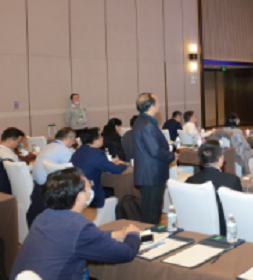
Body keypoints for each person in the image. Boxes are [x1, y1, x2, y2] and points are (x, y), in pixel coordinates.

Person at [5, 168, 140, 280]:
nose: (91, 189)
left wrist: (117, 234)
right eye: (88, 186)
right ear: (80, 196)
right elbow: (126, 253)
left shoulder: (43, 217)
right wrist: (132, 234)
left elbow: (80, 239)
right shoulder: (79, 226)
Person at [133, 93, 176, 224]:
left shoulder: (141, 121)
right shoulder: (147, 124)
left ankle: (151, 233)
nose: (159, 104)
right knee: (151, 214)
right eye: (157, 101)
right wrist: (172, 155)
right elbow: (155, 151)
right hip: (151, 174)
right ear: (151, 106)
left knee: (152, 211)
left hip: (149, 173)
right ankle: (151, 234)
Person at [186, 142, 242, 236]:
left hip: (196, 228)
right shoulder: (231, 180)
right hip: (225, 231)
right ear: (221, 160)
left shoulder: (190, 181)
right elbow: (239, 209)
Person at [70, 128, 128, 208]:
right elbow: (117, 170)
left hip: (76, 190)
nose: (103, 138)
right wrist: (125, 165)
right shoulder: (97, 154)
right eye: (100, 136)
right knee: (120, 191)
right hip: (91, 192)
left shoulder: (78, 151)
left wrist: (110, 162)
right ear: (95, 141)